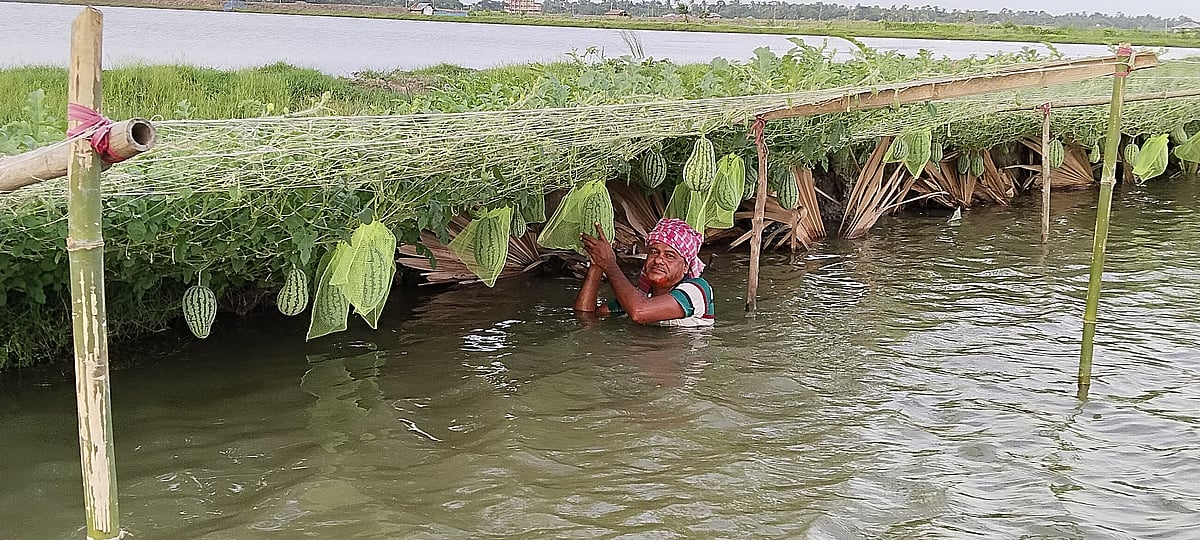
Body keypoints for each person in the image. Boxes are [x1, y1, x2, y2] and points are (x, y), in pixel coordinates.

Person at [574, 218, 714, 327]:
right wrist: (597, 264)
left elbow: (639, 312)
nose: (658, 260)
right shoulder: (640, 296)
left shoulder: (697, 290)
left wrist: (609, 264)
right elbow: (585, 316)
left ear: (685, 267)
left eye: (669, 256)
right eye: (653, 252)